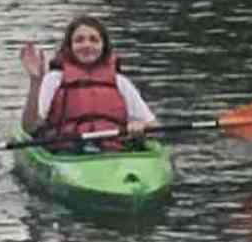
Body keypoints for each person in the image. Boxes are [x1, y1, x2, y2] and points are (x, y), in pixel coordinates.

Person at [19, 15, 157, 152]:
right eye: (79, 40)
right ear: (69, 46)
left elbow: (152, 125)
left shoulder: (120, 82)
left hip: (113, 152)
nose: (87, 45)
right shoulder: (54, 79)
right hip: (67, 153)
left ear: (103, 46)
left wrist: (140, 126)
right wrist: (35, 82)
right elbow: (30, 127)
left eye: (94, 40)